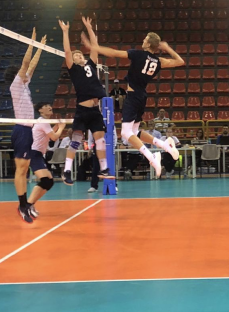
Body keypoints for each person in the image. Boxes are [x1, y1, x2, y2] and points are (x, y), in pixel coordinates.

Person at [82, 16, 184, 178]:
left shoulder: (138, 54)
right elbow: (180, 61)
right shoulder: (158, 61)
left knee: (125, 134)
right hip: (142, 95)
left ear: (149, 43)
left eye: (145, 39)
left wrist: (94, 47)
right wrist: (167, 47)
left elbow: (114, 53)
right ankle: (165, 145)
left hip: (133, 95)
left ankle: (152, 158)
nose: (142, 40)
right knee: (135, 133)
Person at [58, 20, 113, 186]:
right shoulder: (74, 70)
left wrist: (89, 27)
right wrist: (65, 31)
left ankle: (104, 169)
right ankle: (67, 170)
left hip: (95, 111)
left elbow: (94, 47)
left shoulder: (90, 65)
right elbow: (67, 51)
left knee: (100, 140)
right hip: (82, 110)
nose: (78, 56)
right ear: (73, 61)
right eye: (76, 56)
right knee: (75, 141)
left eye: (80, 55)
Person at [4, 28, 45, 223]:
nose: (28, 73)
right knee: (21, 169)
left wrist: (40, 47)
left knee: (25, 168)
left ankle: (25, 205)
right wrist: (32, 41)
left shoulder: (25, 85)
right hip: (21, 130)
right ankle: (21, 206)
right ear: (17, 76)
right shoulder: (16, 85)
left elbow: (33, 65)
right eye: (24, 73)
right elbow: (26, 63)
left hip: (27, 130)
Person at [26, 102, 66, 218]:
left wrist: (57, 127)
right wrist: (62, 128)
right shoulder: (42, 121)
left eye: (50, 105)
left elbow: (48, 134)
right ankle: (27, 205)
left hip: (38, 154)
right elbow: (54, 137)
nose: (50, 107)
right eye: (46, 106)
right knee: (44, 180)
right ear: (40, 110)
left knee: (49, 182)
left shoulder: (44, 123)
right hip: (34, 153)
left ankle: (31, 204)